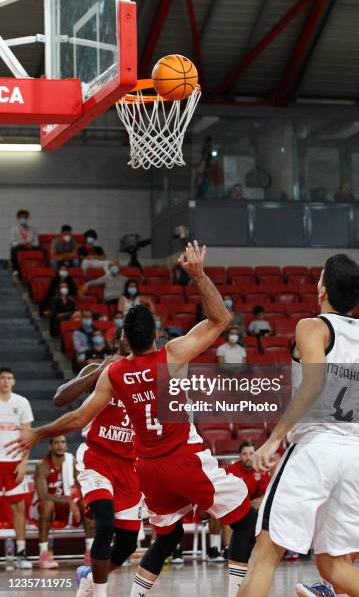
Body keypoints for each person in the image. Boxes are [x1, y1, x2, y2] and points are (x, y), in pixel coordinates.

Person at [8, 241, 259, 597]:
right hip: (182, 458)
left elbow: (78, 417)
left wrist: (39, 432)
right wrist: (198, 275)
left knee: (167, 536)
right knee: (246, 520)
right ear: (157, 335)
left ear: (125, 337)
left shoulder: (115, 373)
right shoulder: (171, 356)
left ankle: (133, 593)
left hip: (147, 471)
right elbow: (220, 319)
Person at [237, 254, 359, 597]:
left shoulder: (312, 326)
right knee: (335, 566)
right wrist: (354, 386)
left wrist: (272, 441)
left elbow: (313, 384)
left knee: (264, 554)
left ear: (322, 287)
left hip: (315, 449)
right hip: (352, 456)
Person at [54, 344, 142, 597]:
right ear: (119, 344)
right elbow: (60, 397)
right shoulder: (102, 369)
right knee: (105, 524)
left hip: (129, 465)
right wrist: (99, 370)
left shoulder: (149, 376)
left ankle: (89, 577)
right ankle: (101, 593)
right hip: (97, 458)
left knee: (127, 544)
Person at [30, 435, 94, 569]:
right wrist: (69, 502)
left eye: (63, 442)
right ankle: (43, 553)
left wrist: (84, 502)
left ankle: (90, 551)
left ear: (66, 445)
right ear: (50, 446)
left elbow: (80, 484)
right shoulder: (42, 466)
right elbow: (42, 495)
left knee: (86, 505)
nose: (60, 445)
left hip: (66, 505)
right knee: (47, 505)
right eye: (56, 442)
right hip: (44, 506)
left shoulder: (71, 461)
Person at [0, 367, 34, 569]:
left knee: (18, 508)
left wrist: (23, 463)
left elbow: (28, 436)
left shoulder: (22, 403)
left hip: (14, 462)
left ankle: (21, 552)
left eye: (9, 378)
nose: (5, 381)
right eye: (2, 377)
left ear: (14, 381)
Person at [10, 209, 39, 274]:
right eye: (21, 217)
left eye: (25, 217)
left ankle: (42, 266)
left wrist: (32, 245)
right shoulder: (14, 229)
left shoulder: (32, 229)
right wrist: (22, 243)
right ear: (18, 218)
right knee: (13, 249)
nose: (23, 219)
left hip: (30, 246)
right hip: (20, 246)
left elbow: (36, 241)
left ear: (27, 218)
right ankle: (15, 269)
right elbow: (13, 241)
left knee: (43, 250)